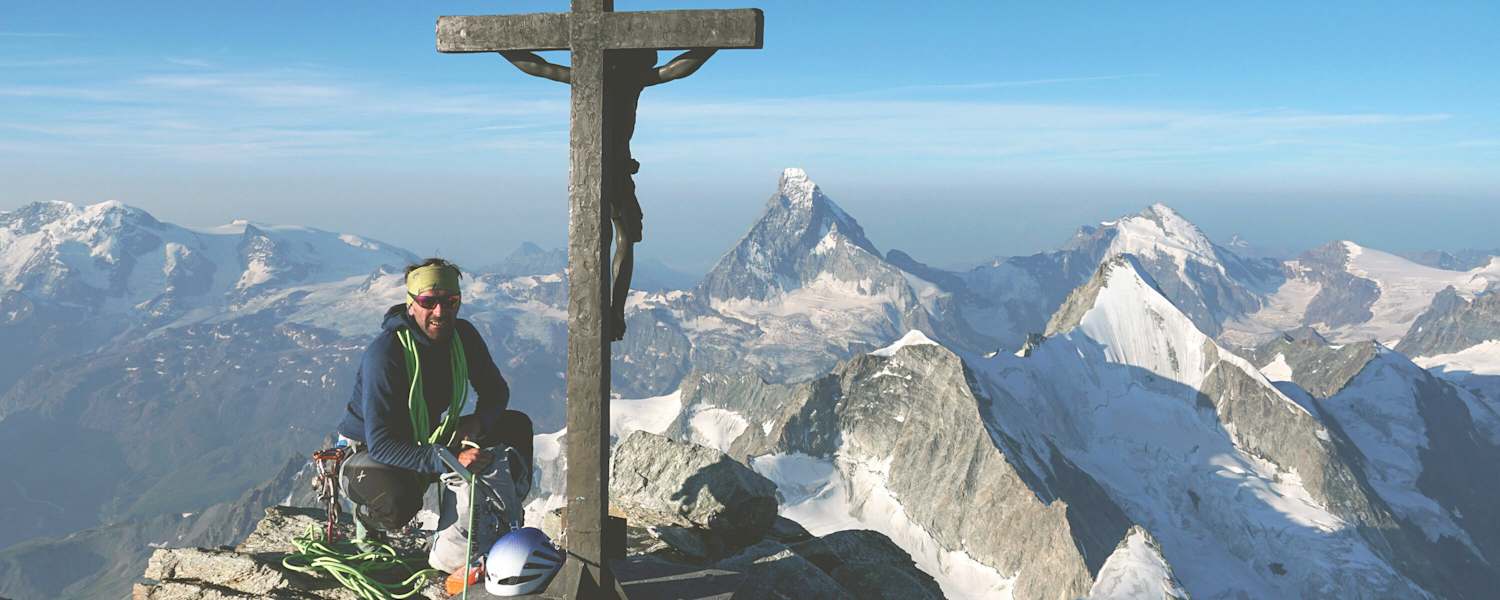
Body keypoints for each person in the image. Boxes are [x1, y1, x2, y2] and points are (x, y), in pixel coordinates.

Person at [499, 48, 717, 341]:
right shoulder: (632, 80)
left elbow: (539, 67)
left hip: (589, 171)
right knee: (623, 238)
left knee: (604, 239)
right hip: (615, 169)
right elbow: (675, 69)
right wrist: (712, 45)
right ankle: (614, 310)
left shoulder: (588, 77)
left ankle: (602, 309)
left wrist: (500, 46)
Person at [335, 258, 534, 572]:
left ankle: (498, 518)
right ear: (411, 303)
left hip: (429, 436)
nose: (441, 312)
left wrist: (477, 422)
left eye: (450, 301)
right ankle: (367, 518)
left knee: (514, 425)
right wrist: (450, 460)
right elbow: (382, 444)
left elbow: (496, 392)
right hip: (369, 453)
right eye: (429, 302)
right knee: (399, 501)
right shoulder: (386, 354)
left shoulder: (463, 336)